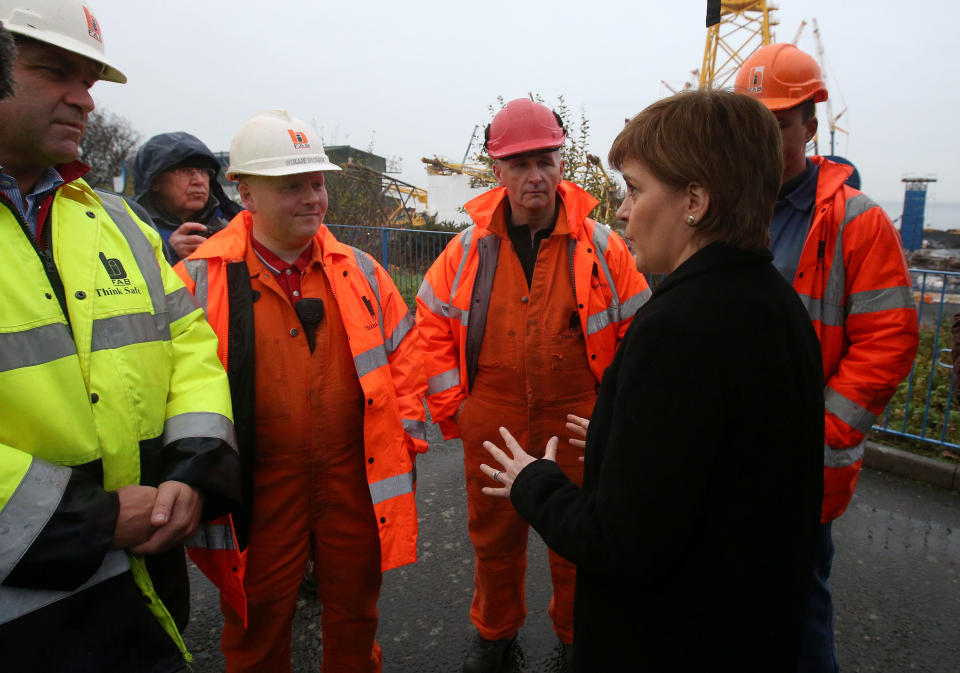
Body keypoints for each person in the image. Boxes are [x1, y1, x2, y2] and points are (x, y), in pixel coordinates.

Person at [480, 89, 825, 673]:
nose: (619, 210)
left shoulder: (676, 328)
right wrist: (623, 442)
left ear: (695, 200)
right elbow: (719, 464)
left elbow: (621, 542)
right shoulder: (776, 304)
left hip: (671, 640)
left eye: (635, 189)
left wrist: (533, 482)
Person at [0, 1, 240, 671]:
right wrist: (89, 520)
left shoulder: (114, 223)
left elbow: (189, 343)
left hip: (146, 575)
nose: (84, 101)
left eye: (91, 83)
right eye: (54, 72)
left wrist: (193, 468)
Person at [175, 109, 428, 673]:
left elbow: (406, 362)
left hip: (352, 482)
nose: (313, 198)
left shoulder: (361, 272)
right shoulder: (199, 278)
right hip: (259, 490)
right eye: (293, 186)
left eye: (317, 183)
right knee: (255, 622)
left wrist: (404, 442)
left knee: (355, 616)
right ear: (246, 194)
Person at [416, 98, 650, 672]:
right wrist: (460, 411)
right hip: (491, 419)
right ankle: (495, 637)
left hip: (579, 420)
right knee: (493, 543)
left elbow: (641, 339)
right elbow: (430, 328)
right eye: (519, 164)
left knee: (581, 543)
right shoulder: (468, 249)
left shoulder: (604, 248)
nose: (535, 175)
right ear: (497, 171)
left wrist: (614, 419)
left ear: (561, 162)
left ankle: (579, 639)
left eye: (545, 159)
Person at [735, 43, 919, 672]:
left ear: (810, 127)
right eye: (751, 123)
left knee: (799, 607)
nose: (762, 140)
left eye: (778, 124)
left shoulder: (857, 222)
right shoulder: (725, 208)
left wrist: (821, 431)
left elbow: (888, 340)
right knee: (726, 601)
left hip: (800, 456)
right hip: (727, 449)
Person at [134, 131, 242, 264]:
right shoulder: (128, 230)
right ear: (155, 181)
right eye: (185, 171)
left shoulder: (238, 221)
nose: (199, 180)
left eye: (204, 172)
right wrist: (168, 254)